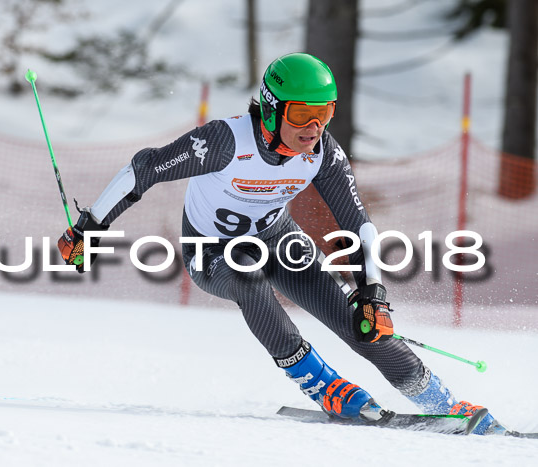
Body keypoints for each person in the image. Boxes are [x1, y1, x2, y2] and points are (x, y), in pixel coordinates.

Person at [57, 53, 504, 434]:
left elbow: (356, 221)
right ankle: (324, 386)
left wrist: (373, 292)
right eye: (300, 115)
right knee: (246, 270)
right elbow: (145, 168)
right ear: (271, 109)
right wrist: (87, 228)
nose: (313, 128)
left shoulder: (323, 153)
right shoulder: (224, 141)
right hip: (212, 253)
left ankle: (444, 403)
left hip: (280, 242)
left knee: (363, 324)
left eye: (324, 114)